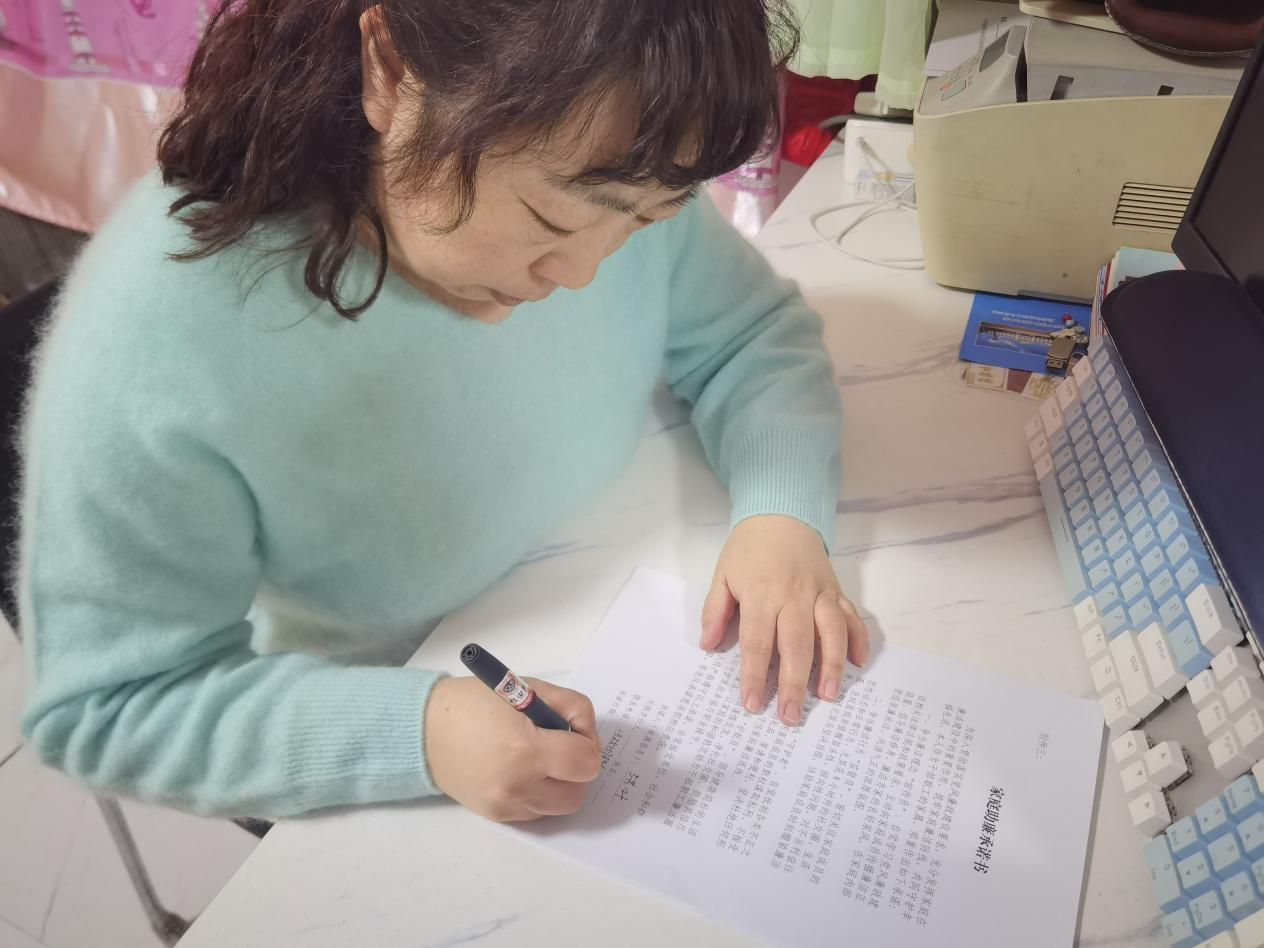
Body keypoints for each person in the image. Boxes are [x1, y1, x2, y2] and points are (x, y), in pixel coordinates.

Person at [16, 0, 869, 823]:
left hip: (604, 585)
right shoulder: (162, 334)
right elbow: (112, 705)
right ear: (389, 70)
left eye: (644, 223)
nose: (581, 274)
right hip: (382, 719)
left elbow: (748, 334)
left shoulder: (624, 149)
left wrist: (781, 515)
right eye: (549, 217)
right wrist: (419, 734)